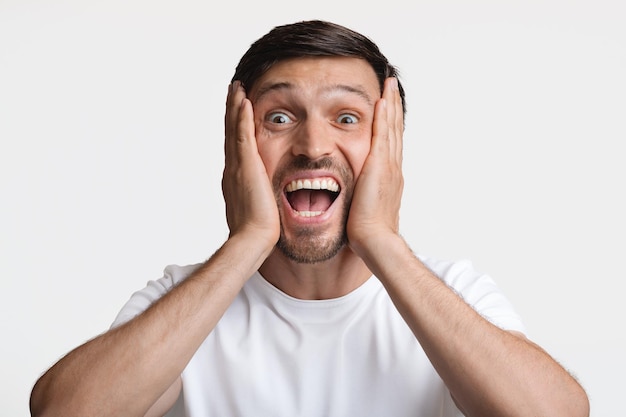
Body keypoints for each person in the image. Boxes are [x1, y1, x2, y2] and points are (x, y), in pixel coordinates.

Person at [30, 20, 589, 417]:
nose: (313, 145)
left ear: (390, 148)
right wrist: (249, 239)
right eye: (279, 117)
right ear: (239, 147)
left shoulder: (454, 295)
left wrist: (380, 239)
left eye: (347, 117)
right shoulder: (182, 300)